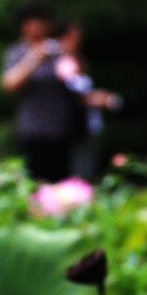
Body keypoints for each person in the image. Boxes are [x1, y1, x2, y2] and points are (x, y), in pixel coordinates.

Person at [0, 3, 85, 182]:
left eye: (42, 22)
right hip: (33, 129)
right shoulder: (17, 51)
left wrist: (71, 52)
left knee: (63, 180)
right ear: (23, 26)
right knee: (36, 180)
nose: (38, 27)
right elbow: (9, 84)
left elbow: (80, 77)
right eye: (32, 22)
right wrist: (34, 57)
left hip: (62, 127)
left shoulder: (57, 49)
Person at [52, 19, 122, 180]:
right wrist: (101, 99)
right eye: (74, 35)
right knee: (80, 171)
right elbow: (75, 95)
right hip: (72, 127)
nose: (78, 38)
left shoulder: (77, 59)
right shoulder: (62, 62)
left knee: (88, 167)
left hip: (86, 125)